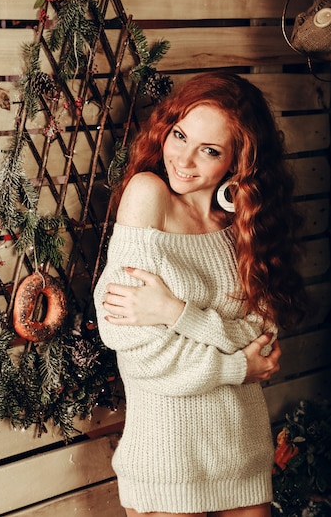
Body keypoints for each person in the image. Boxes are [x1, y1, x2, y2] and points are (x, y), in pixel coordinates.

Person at [93, 71, 306, 517]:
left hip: (242, 450)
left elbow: (261, 334)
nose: (183, 160)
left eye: (208, 150)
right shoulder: (148, 195)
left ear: (238, 161)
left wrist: (177, 313)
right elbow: (135, 347)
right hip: (168, 460)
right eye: (179, 136)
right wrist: (236, 366)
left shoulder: (244, 223)